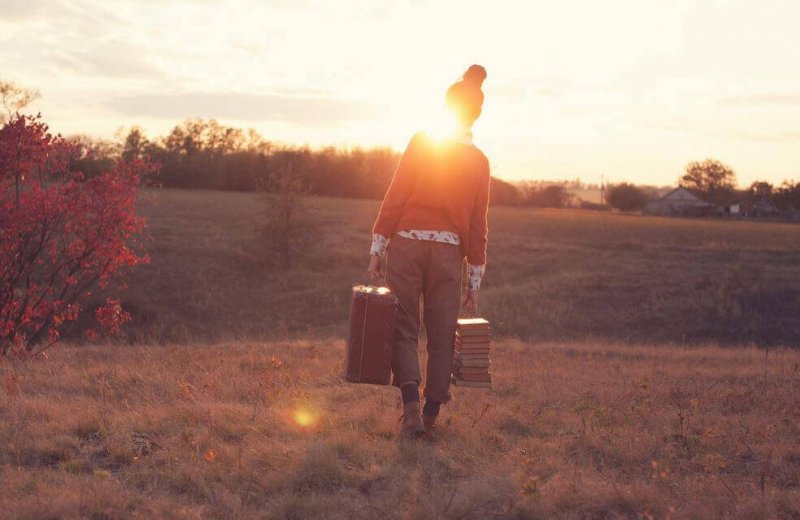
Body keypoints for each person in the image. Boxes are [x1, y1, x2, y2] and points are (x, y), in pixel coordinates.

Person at [367, 64, 491, 438]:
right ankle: (432, 414)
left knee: (403, 327)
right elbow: (477, 225)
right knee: (441, 333)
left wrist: (378, 246)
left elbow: (396, 194)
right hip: (448, 253)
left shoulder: (423, 141)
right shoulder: (480, 161)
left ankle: (410, 412)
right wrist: (474, 279)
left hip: (406, 244)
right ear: (476, 114)